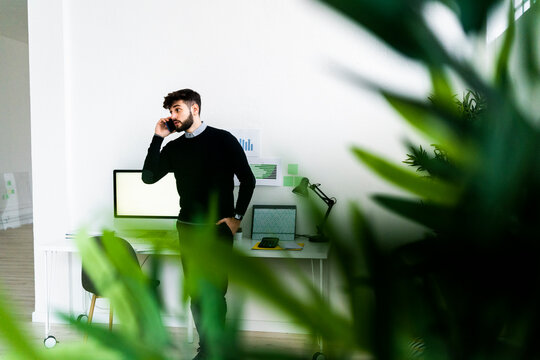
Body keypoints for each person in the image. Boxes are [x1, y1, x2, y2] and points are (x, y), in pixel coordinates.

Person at [142, 89, 256, 359]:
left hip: (217, 230)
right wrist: (157, 139)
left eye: (177, 109)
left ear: (195, 109)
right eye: (170, 111)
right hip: (187, 229)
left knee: (215, 293)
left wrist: (237, 218)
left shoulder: (223, 139)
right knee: (196, 294)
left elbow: (248, 180)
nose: (172, 116)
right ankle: (206, 349)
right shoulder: (175, 147)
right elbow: (148, 177)